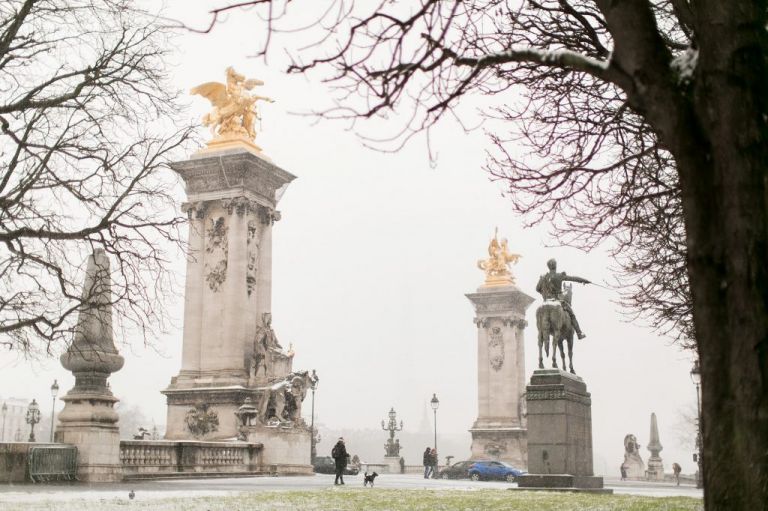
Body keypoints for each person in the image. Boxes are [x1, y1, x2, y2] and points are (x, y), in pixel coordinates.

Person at [535, 258, 590, 339]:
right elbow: (573, 278)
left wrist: (545, 295)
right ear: (555, 266)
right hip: (558, 301)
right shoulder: (559, 276)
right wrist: (583, 280)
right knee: (572, 315)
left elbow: (537, 288)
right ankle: (579, 333)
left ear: (548, 267)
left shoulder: (543, 277)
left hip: (546, 301)